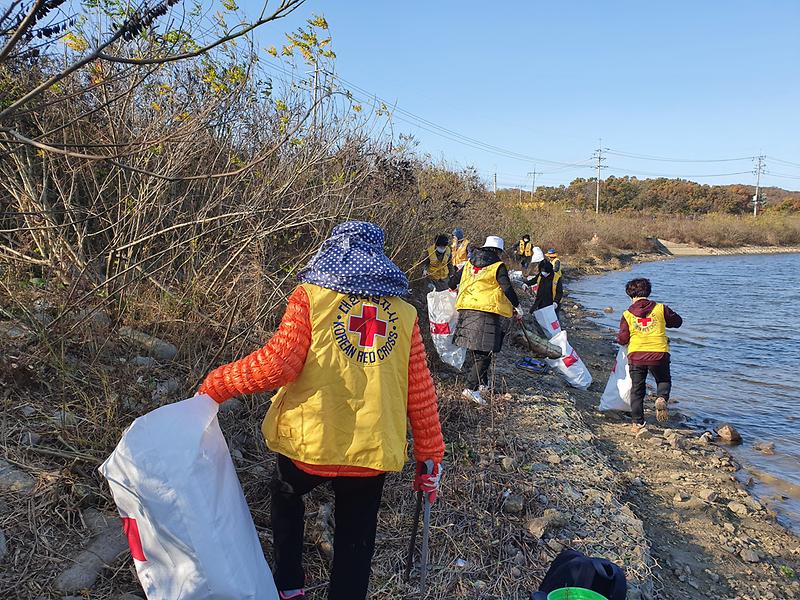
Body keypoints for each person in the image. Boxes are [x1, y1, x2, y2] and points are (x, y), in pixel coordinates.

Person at [198, 221, 445, 600]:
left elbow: (278, 364)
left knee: (286, 498)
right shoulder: (404, 312)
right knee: (356, 537)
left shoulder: (310, 296)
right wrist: (430, 457)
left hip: (309, 443)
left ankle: (288, 585)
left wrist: (217, 384)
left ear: (335, 249)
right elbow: (420, 392)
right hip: (371, 449)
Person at [449, 235, 523, 405]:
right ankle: (471, 389)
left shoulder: (469, 263)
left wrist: (453, 290)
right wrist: (517, 305)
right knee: (484, 351)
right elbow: (506, 287)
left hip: (467, 310)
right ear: (498, 251)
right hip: (486, 312)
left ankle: (482, 384)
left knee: (479, 349)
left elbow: (453, 282)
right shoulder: (497, 266)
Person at [616, 277, 683, 433]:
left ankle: (637, 423)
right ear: (648, 292)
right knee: (663, 379)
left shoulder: (627, 314)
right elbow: (677, 322)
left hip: (636, 354)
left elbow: (623, 338)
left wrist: (619, 340)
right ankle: (661, 398)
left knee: (637, 389)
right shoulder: (661, 308)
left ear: (630, 294)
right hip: (659, 353)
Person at [528, 249, 563, 315]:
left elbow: (559, 292)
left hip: (553, 302)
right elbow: (534, 280)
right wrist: (526, 284)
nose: (543, 272)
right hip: (541, 300)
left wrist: (556, 302)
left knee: (553, 319)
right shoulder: (541, 274)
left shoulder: (557, 278)